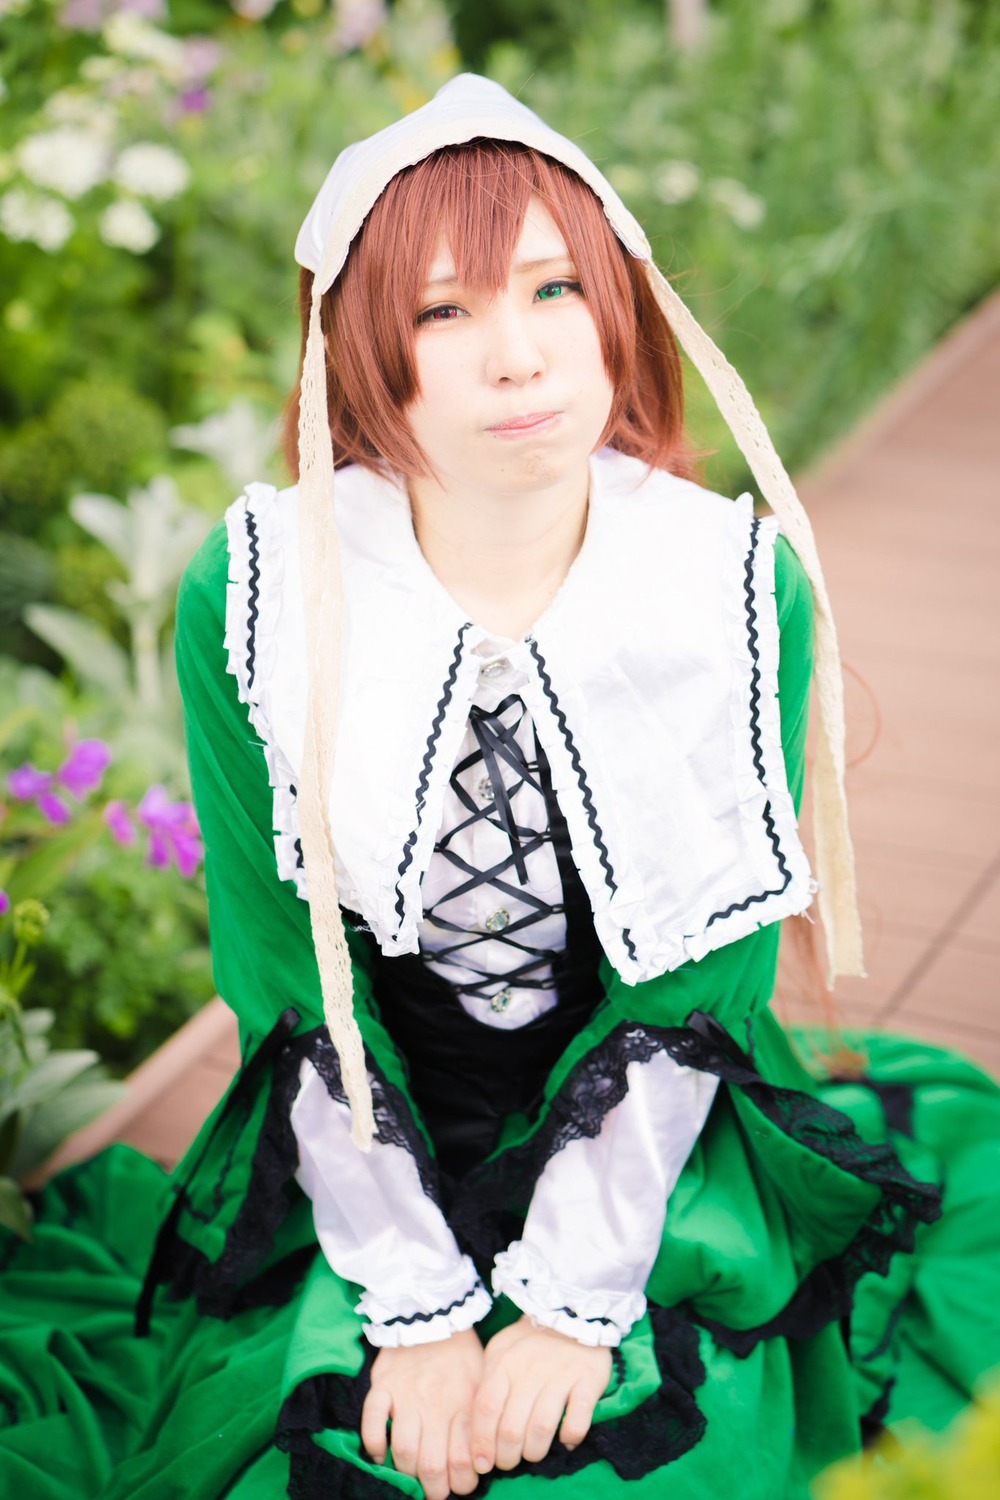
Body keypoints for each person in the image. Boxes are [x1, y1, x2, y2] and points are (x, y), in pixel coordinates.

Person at [2, 73, 1000, 1500]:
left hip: (658, 1132)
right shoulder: (260, 593)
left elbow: (701, 985)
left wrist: (568, 1310)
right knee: (343, 1454)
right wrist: (414, 1312)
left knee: (641, 1461)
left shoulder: (724, 586)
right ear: (360, 349)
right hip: (370, 1127)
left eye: (552, 291)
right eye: (444, 311)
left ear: (616, 305)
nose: (518, 358)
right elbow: (282, 969)